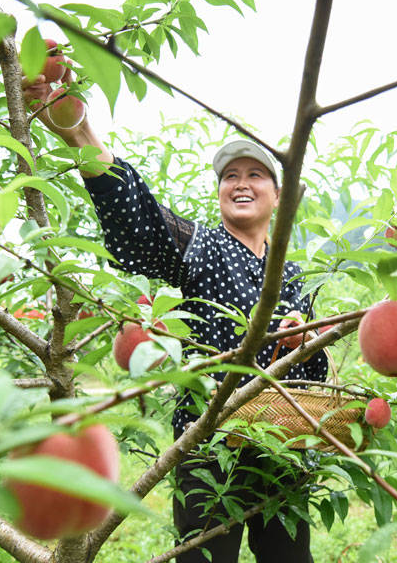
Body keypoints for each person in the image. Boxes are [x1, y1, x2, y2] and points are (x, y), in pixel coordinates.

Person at [25, 82, 326, 562]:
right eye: (230, 175)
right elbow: (140, 218)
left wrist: (308, 341)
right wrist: (80, 133)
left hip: (282, 450)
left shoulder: (293, 273)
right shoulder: (200, 245)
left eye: (255, 174)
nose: (241, 183)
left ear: (280, 195)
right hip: (209, 445)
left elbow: (312, 378)